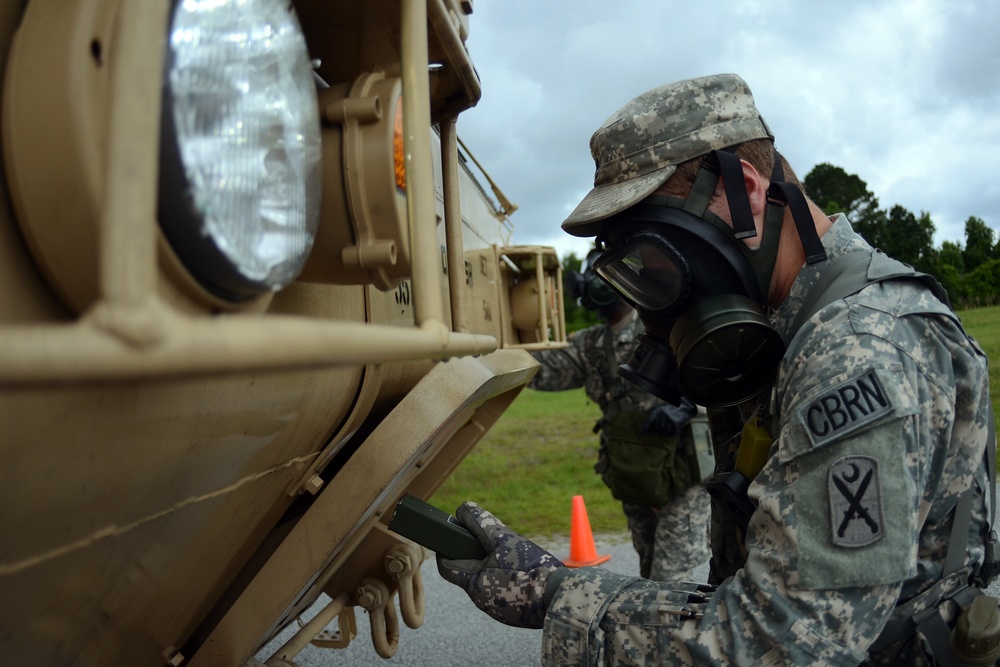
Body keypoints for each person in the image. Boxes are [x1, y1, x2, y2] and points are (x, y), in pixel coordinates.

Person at [437, 73, 996, 665]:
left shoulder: (857, 348)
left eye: (653, 253)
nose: (654, 297)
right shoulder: (782, 330)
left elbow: (780, 640)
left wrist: (554, 594)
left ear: (745, 190)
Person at [529, 248, 709, 581]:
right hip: (633, 472)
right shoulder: (591, 344)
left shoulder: (664, 323)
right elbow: (541, 373)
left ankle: (676, 631)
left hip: (677, 473)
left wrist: (690, 406)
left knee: (669, 578)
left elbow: (718, 370)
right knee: (648, 564)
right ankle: (660, 630)